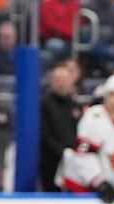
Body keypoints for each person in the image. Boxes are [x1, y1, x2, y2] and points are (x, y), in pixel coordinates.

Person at [58, 74, 114, 202]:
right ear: (106, 95)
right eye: (113, 94)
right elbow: (84, 155)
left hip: (108, 183)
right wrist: (98, 180)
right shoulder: (93, 116)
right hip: (80, 183)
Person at [39, 63, 81, 191]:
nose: (61, 83)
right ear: (52, 81)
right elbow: (44, 133)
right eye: (57, 79)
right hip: (51, 162)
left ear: (71, 80)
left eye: (64, 79)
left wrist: (75, 153)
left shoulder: (76, 106)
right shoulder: (44, 104)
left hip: (74, 162)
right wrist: (62, 151)